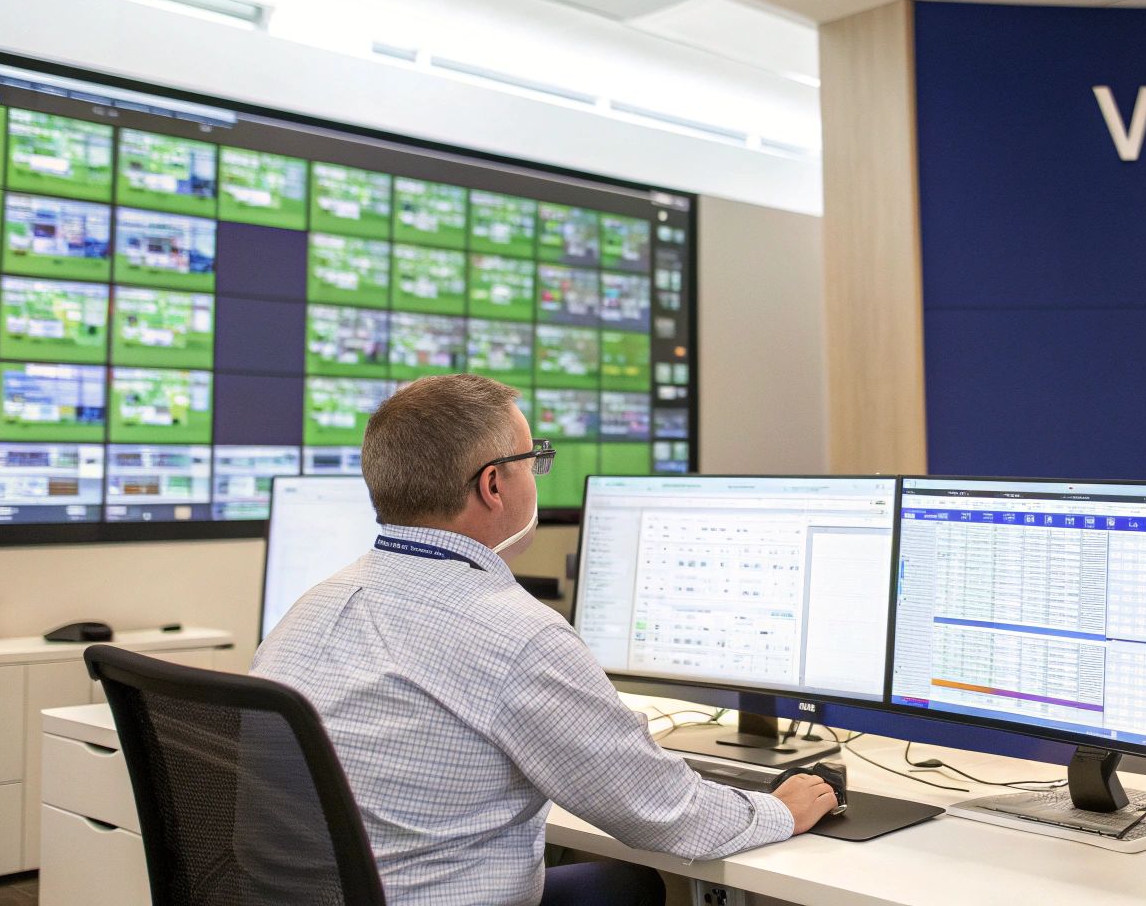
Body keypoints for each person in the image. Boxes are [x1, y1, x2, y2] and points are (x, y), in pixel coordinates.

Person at [252, 374, 836, 906]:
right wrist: (778, 809)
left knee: (619, 882)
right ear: (493, 486)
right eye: (534, 461)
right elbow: (667, 814)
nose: (537, 474)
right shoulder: (515, 634)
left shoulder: (310, 609)